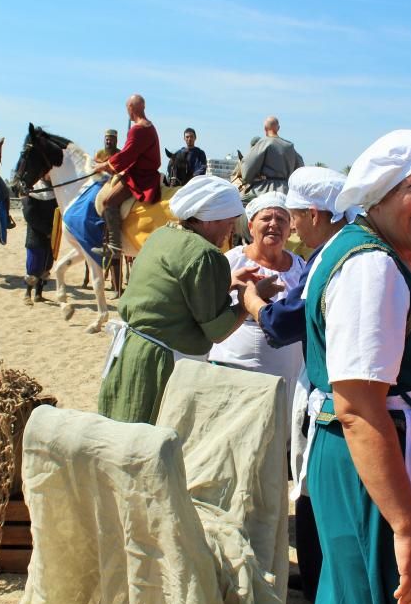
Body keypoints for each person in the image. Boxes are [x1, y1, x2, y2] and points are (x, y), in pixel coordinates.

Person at [303, 130, 411, 604]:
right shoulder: (370, 267)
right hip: (387, 459)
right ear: (381, 190)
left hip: (396, 453)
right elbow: (358, 408)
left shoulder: (387, 255)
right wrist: (407, 526)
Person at [239, 165, 356, 604]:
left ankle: (318, 581)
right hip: (321, 385)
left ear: (312, 213)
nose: (287, 226)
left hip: (330, 393)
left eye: (292, 217)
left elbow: (284, 321)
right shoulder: (341, 248)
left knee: (314, 492)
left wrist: (251, 300)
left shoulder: (329, 255)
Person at [98, 175, 279, 424]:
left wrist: (224, 284)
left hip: (129, 353)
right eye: (229, 222)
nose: (230, 230)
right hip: (159, 366)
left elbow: (176, 292)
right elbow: (218, 330)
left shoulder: (162, 235)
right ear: (212, 218)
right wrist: (251, 300)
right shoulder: (205, 255)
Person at [209, 191, 307, 418]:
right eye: (266, 218)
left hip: (286, 370)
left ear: (290, 228)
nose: (274, 224)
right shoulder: (232, 260)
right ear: (251, 226)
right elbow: (209, 303)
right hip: (234, 365)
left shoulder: (301, 267)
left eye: (281, 219)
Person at [92, 95, 162, 257]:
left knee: (108, 201)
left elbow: (126, 155)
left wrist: (103, 166)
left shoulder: (138, 129)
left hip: (139, 177)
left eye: (127, 109)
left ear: (131, 108)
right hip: (142, 172)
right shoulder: (149, 126)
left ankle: (114, 247)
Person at [239, 116, 304, 198]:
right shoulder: (289, 146)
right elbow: (301, 167)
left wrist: (248, 179)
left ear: (265, 128)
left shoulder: (263, 142)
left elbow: (248, 166)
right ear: (278, 128)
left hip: (264, 189)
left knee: (241, 200)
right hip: (287, 190)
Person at [22, 170, 59, 305]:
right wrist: (46, 230)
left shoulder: (55, 190)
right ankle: (27, 293)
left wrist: (53, 232)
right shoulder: (33, 190)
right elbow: (29, 214)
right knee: (34, 266)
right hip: (36, 235)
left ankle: (39, 294)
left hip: (51, 235)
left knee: (46, 265)